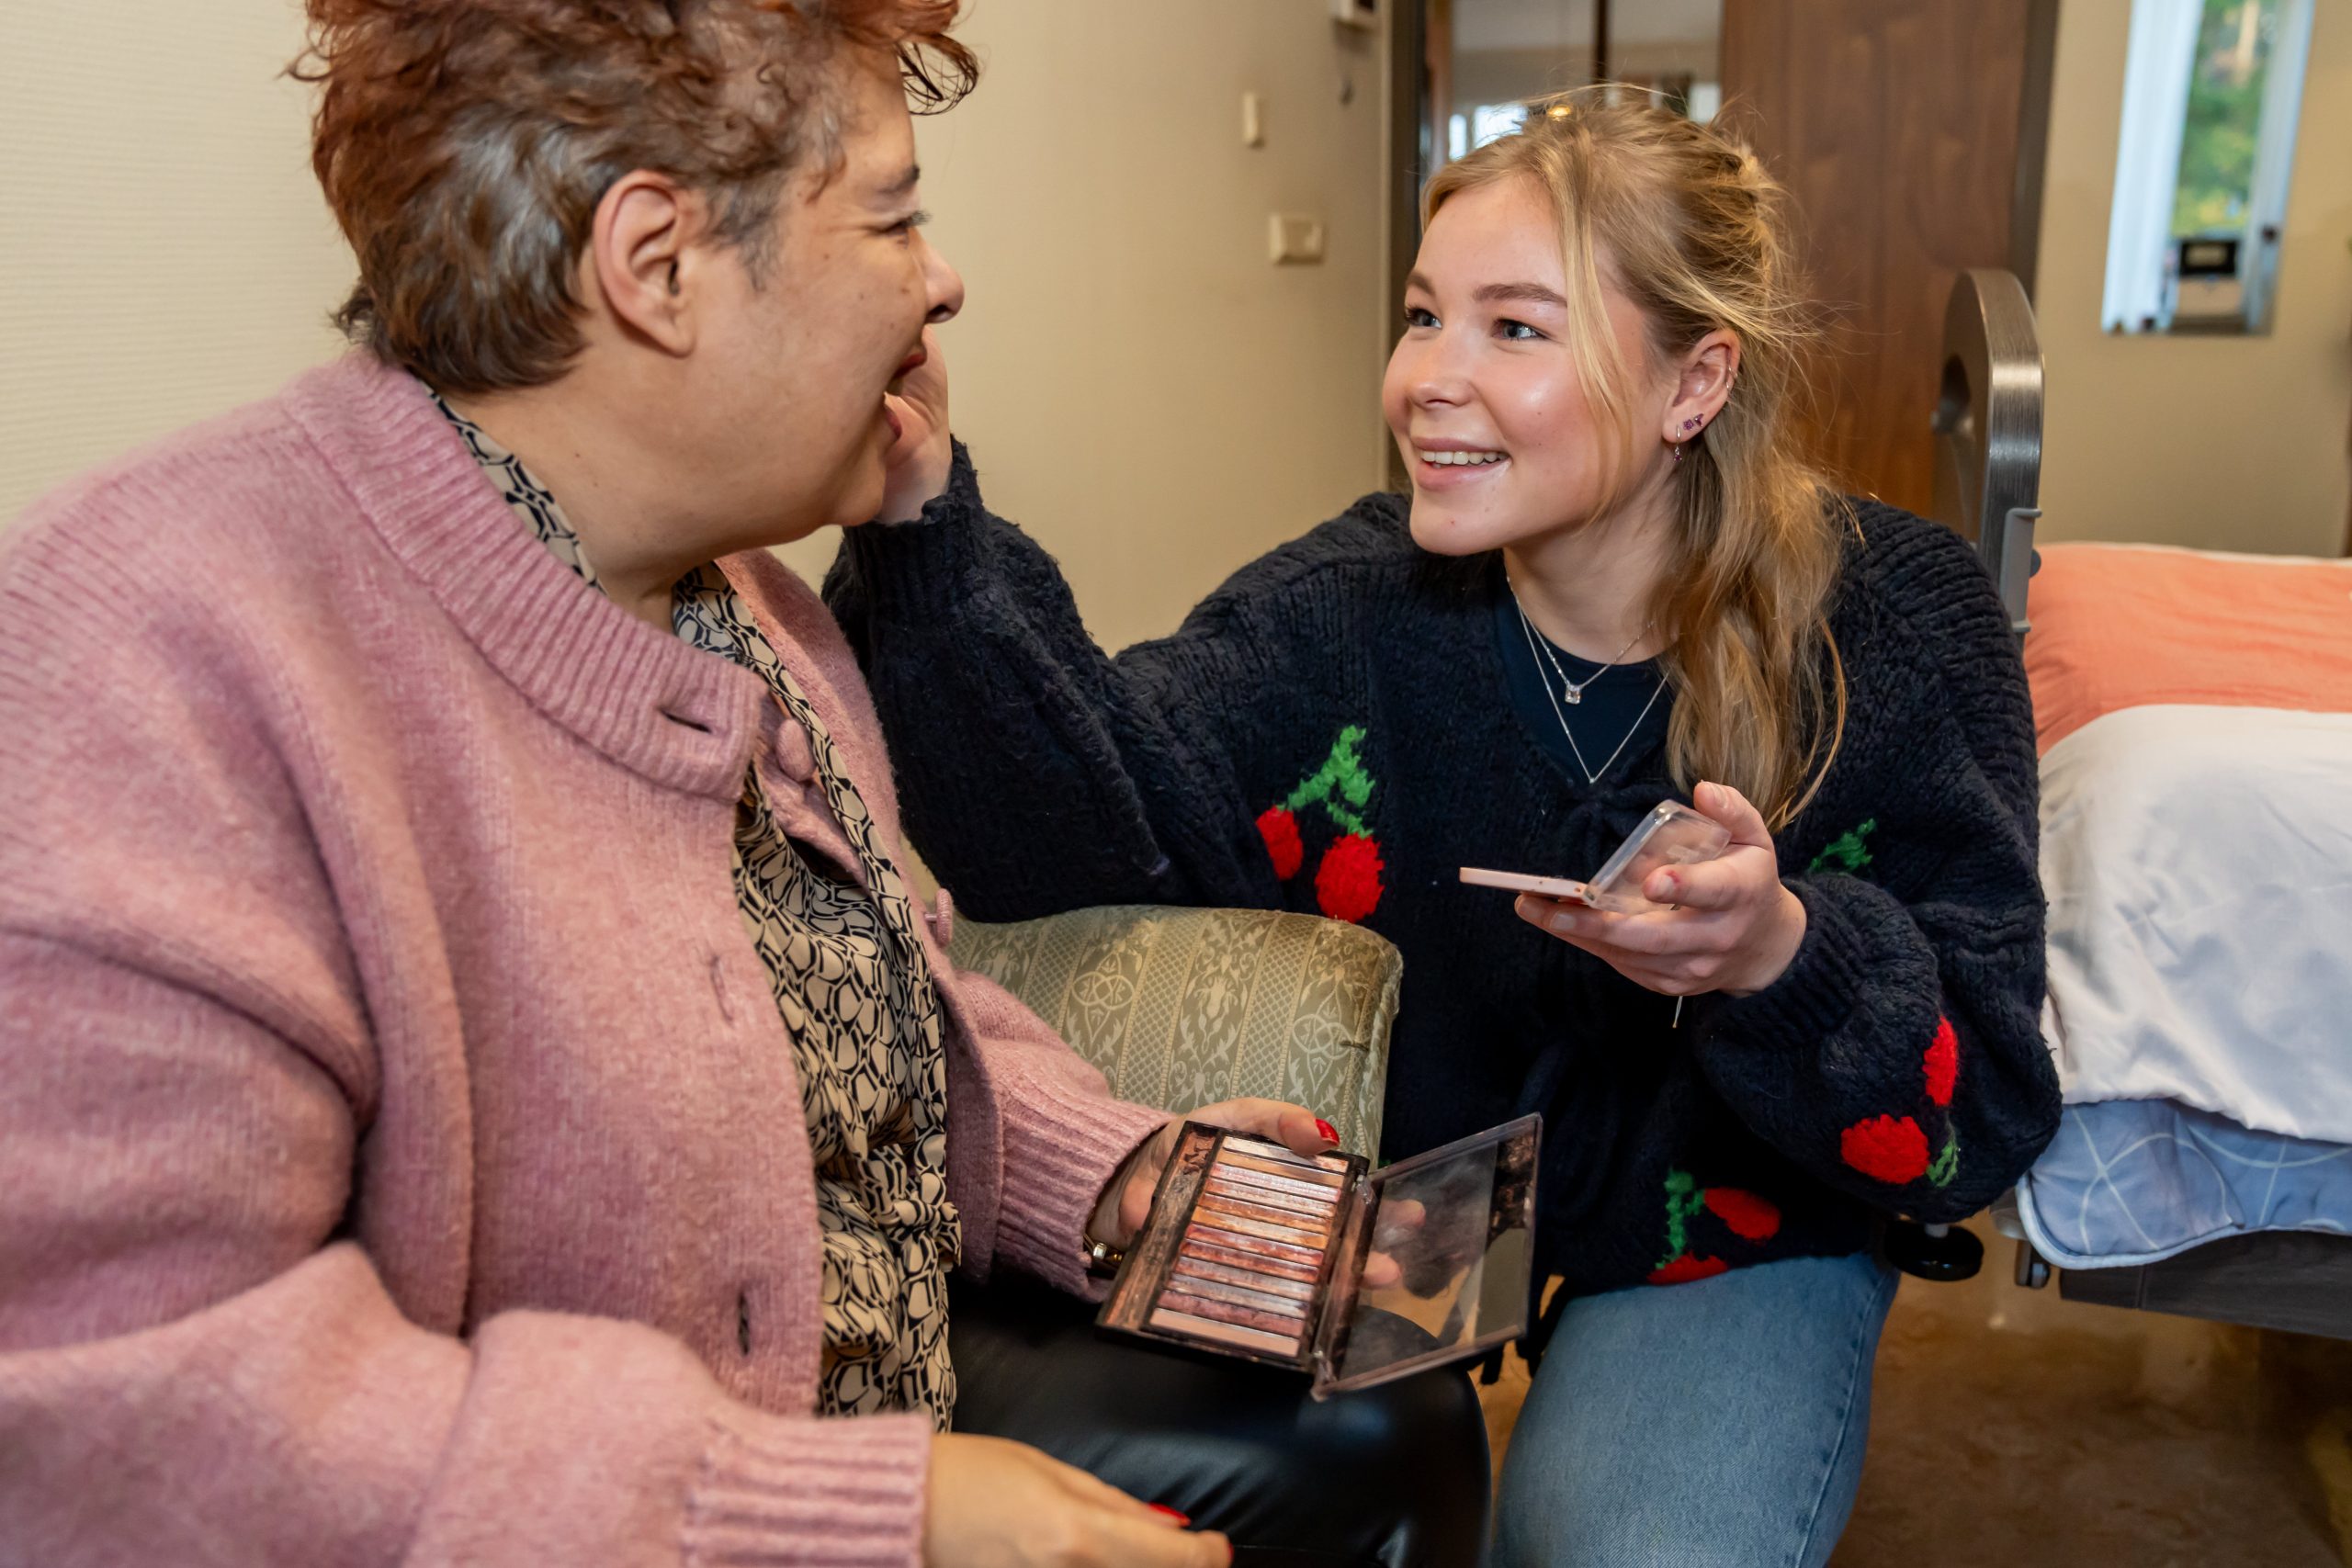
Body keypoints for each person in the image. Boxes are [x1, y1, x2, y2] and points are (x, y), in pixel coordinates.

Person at [0, 4, 1488, 1564]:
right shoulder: (151, 656)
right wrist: (873, 1515)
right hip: (654, 1509)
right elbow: (131, 1428)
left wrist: (1111, 1175)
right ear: (657, 265)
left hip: (872, 1377)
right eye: (896, 215)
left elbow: (879, 997)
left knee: (1395, 1416)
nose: (943, 276)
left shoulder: (739, 596)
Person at [826, 89, 2062, 1566]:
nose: (1426, 380)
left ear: (1695, 382)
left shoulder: (1899, 631)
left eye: (1516, 329)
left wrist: (1779, 954)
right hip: (1412, 1225)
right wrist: (920, 527)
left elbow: (1982, 1115)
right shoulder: (1353, 615)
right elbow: (1083, 828)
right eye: (1423, 317)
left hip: (1730, 1228)